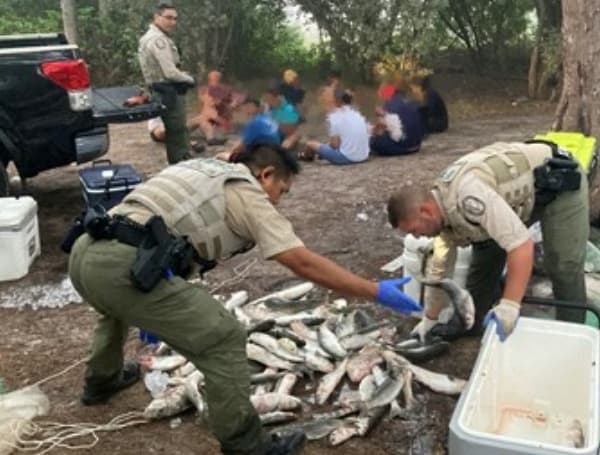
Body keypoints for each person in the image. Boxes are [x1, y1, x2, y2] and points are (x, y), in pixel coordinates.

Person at [68, 144, 421, 455]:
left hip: (85, 254)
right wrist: (375, 290)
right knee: (225, 336)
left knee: (112, 311)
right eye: (281, 189)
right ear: (265, 174)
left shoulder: (205, 166)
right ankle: (245, 443)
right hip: (122, 268)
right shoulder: (247, 192)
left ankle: (102, 381)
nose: (278, 200)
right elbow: (301, 261)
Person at [387, 141, 589, 342]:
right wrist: (430, 318)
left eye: (414, 230)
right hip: (516, 198)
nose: (416, 237)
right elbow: (440, 270)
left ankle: (572, 333)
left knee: (563, 265)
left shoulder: (468, 196)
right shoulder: (441, 212)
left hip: (559, 183)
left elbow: (520, 245)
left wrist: (510, 306)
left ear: (426, 211)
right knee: (484, 258)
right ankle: (474, 323)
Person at [138, 3, 195, 164]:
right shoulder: (158, 40)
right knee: (177, 132)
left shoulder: (151, 37)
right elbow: (169, 72)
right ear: (157, 17)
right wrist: (190, 79)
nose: (172, 22)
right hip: (167, 90)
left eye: (175, 19)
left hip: (161, 88)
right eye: (168, 18)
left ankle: (180, 162)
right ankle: (181, 165)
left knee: (176, 131)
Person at [303, 89, 369, 165]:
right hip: (364, 156)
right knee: (326, 146)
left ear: (337, 102)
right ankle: (319, 153)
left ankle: (305, 156)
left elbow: (334, 145)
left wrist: (324, 148)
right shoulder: (357, 114)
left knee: (310, 143)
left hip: (346, 158)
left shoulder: (335, 116)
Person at [370, 84, 424, 156]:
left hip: (406, 145)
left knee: (375, 141)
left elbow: (381, 129)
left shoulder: (389, 105)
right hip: (417, 144)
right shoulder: (407, 101)